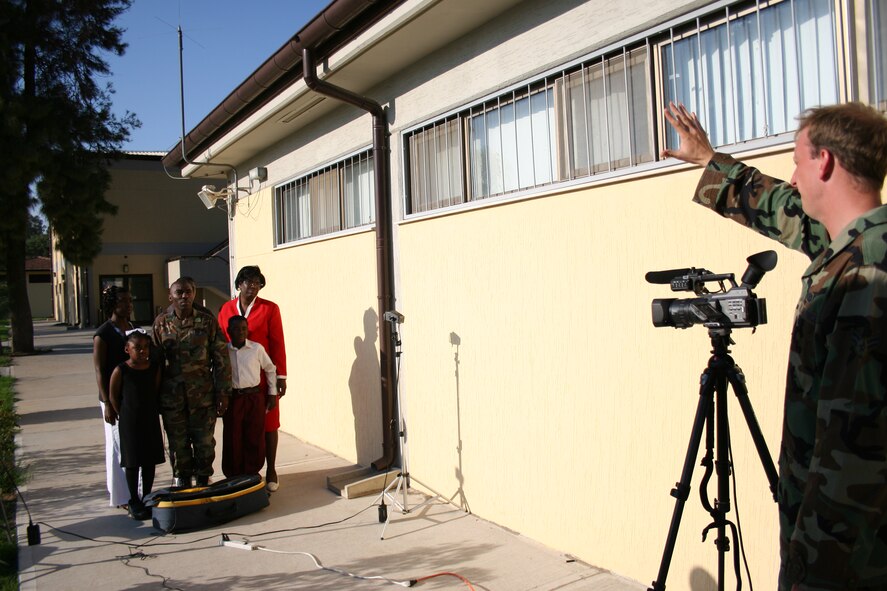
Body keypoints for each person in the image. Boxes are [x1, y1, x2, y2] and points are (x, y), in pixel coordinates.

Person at [663, 101, 887, 591]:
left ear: (824, 162)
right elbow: (783, 210)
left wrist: (808, 574)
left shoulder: (866, 277)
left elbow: (850, 461)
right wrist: (709, 162)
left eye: (797, 159)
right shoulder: (851, 244)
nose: (793, 174)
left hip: (848, 563)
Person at [153, 277, 231, 487]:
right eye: (179, 293)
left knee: (204, 442)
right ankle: (182, 481)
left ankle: (204, 479)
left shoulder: (207, 321)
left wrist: (223, 392)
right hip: (172, 398)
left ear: (194, 293)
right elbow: (155, 362)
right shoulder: (161, 323)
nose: (184, 296)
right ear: (171, 296)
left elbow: (221, 358)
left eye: (188, 292)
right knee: (178, 444)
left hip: (203, 396)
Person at [218, 266, 288, 492]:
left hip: (263, 378)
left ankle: (271, 469)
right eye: (248, 282)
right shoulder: (226, 309)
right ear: (239, 284)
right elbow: (220, 344)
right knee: (239, 429)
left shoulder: (269, 309)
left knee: (269, 423)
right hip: (236, 380)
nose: (253, 286)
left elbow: (277, 343)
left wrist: (280, 377)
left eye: (257, 282)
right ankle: (240, 473)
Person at [108, 329, 164, 520]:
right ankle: (134, 499)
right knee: (132, 461)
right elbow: (114, 396)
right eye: (137, 348)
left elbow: (155, 390)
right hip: (130, 421)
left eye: (146, 347)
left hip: (149, 418)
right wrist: (122, 412)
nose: (142, 351)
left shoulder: (153, 368)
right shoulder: (121, 370)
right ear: (127, 349)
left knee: (149, 460)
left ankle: (147, 495)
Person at [92, 285, 134, 509]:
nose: (128, 305)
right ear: (112, 305)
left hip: (131, 396)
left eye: (130, 301)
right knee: (116, 445)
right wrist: (107, 402)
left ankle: (134, 492)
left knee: (131, 445)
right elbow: (99, 370)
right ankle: (120, 496)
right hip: (112, 397)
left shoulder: (133, 329)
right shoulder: (103, 334)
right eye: (123, 301)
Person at [223, 316, 277, 478]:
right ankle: (234, 475)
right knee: (234, 437)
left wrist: (272, 393)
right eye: (236, 329)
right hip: (234, 399)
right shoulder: (224, 351)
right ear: (229, 331)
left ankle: (252, 474)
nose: (240, 332)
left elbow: (270, 368)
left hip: (254, 398)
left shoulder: (256, 349)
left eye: (244, 329)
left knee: (254, 436)